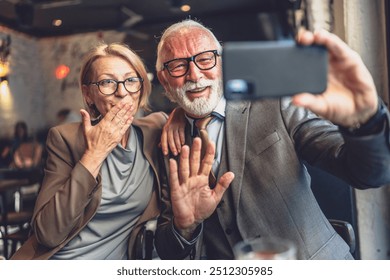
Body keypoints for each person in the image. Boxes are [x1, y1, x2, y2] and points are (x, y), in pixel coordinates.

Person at [154, 19, 390, 260]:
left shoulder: (276, 104)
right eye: (178, 66)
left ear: (222, 63)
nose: (194, 74)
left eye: (205, 59)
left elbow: (369, 174)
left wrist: (367, 122)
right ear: (164, 80)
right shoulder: (167, 145)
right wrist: (184, 225)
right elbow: (168, 253)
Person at [11, 42, 167, 259]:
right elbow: (47, 233)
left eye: (131, 80)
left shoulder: (156, 128)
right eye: (107, 82)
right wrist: (95, 154)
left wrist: (178, 117)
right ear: (89, 94)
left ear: (140, 87)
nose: (122, 92)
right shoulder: (65, 138)